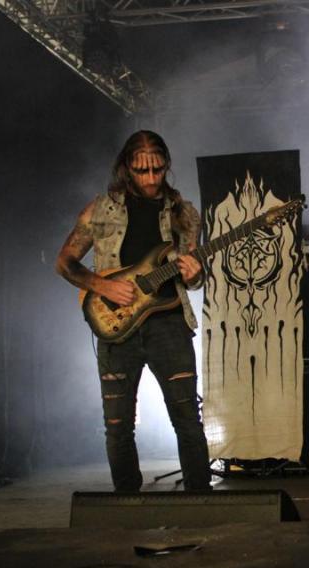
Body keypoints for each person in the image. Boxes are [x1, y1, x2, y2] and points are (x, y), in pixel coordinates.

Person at [56, 130, 211, 492]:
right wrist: (102, 285)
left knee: (188, 420)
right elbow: (64, 262)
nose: (151, 178)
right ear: (127, 167)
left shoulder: (185, 214)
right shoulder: (100, 211)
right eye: (142, 170)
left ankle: (201, 501)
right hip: (117, 327)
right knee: (118, 425)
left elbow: (194, 278)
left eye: (158, 169)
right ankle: (126, 503)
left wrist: (195, 274)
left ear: (166, 165)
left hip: (169, 325)